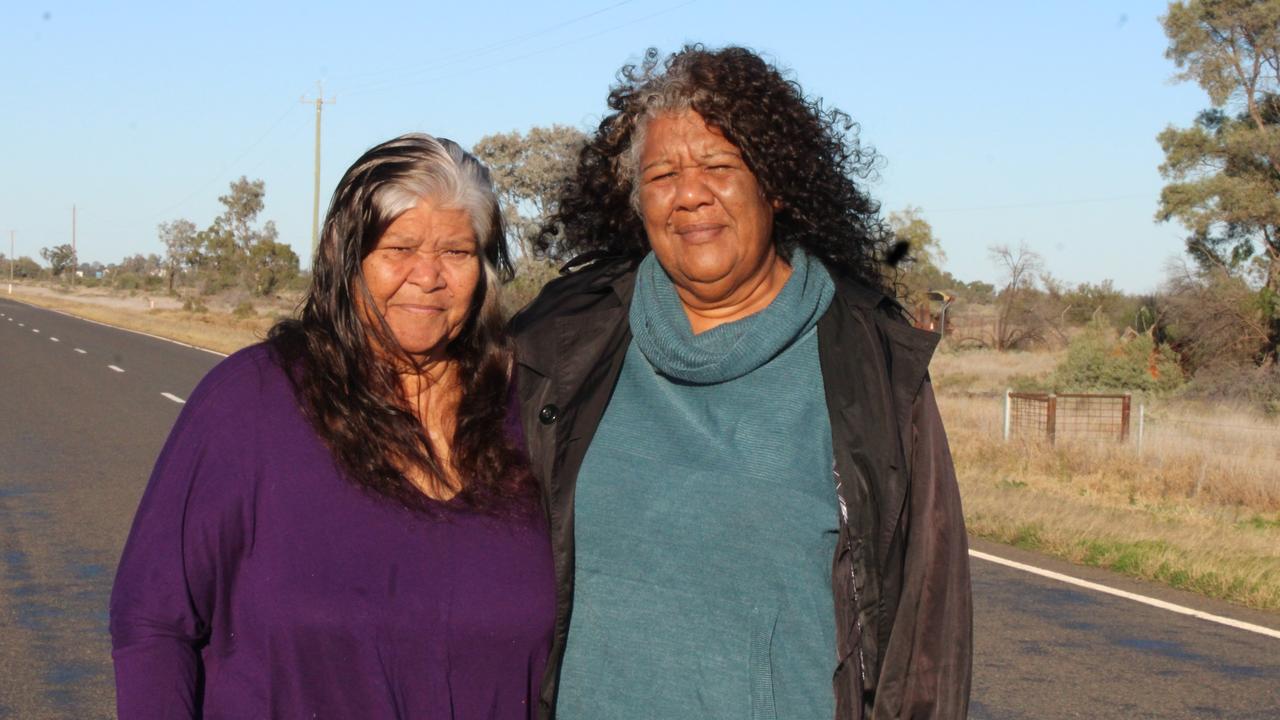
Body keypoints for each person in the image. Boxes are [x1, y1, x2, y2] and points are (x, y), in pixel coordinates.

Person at [510, 46, 972, 719]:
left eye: (720, 167)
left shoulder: (871, 362)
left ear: (775, 184)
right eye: (663, 174)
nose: (691, 194)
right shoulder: (561, 343)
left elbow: (928, 634)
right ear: (637, 201)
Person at [110, 133, 554, 718]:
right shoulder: (253, 402)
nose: (427, 276)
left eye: (456, 252)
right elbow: (152, 620)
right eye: (399, 248)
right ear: (347, 259)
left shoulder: (530, 408)